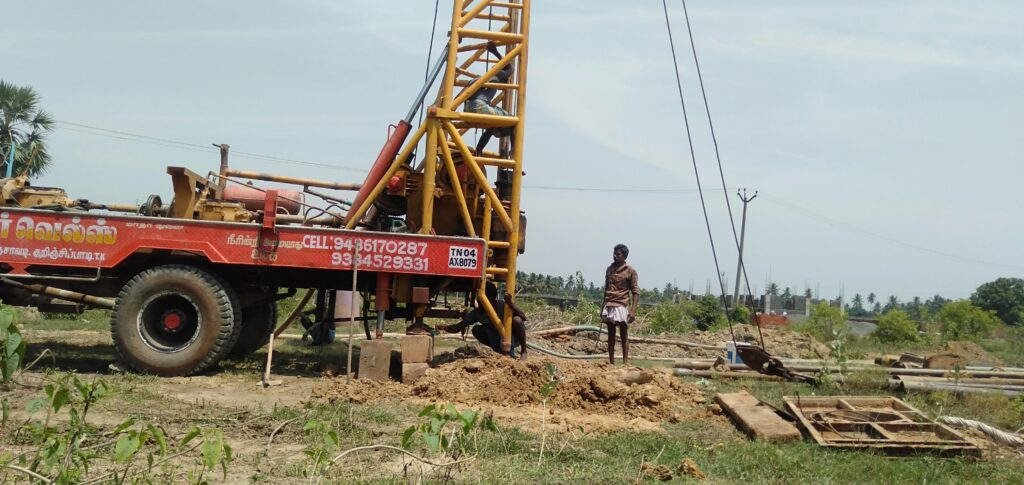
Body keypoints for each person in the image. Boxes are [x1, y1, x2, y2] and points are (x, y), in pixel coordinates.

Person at [438, 282, 528, 359]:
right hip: (495, 337)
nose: (480, 302)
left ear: (493, 298)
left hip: (513, 337)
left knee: (517, 320)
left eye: (484, 299)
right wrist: (443, 327)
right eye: (479, 299)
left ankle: (524, 351)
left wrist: (511, 304)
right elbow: (458, 327)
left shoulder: (503, 306)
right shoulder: (478, 313)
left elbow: (523, 318)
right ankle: (498, 351)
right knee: (476, 330)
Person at [464, 41, 515, 158]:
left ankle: (479, 149)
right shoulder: (497, 75)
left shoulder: (480, 79)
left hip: (467, 108)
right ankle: (513, 150)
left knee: (491, 128)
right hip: (479, 106)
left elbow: (463, 93)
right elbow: (510, 68)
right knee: (513, 122)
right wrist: (495, 52)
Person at [602, 244, 639, 365]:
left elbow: (635, 292)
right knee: (611, 334)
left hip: (621, 304)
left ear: (624, 256)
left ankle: (625, 362)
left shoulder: (630, 271)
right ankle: (611, 362)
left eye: (618, 254)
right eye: (614, 253)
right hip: (609, 303)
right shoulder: (609, 269)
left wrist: (633, 311)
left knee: (624, 333)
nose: (615, 256)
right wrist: (603, 306)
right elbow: (606, 288)